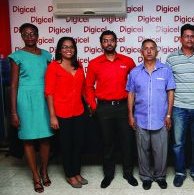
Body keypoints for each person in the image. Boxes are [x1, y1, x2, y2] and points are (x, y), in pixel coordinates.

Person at [85, 30, 138, 188]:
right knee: (107, 143)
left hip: (123, 107)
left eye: (111, 40)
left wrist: (133, 104)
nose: (109, 43)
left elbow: (136, 82)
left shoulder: (127, 61)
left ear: (116, 42)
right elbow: (88, 87)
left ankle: (128, 173)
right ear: (101, 44)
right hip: (104, 108)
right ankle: (108, 174)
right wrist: (94, 106)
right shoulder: (95, 63)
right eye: (105, 41)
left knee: (127, 142)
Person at [9, 23, 54, 193]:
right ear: (21, 36)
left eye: (33, 34)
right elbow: (13, 85)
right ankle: (35, 176)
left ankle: (44, 169)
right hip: (25, 99)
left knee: (45, 138)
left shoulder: (46, 55)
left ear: (37, 35)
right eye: (26, 34)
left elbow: (51, 80)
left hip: (43, 98)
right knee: (28, 138)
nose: (30, 37)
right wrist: (13, 111)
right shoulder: (16, 56)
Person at [166, 24, 194, 187]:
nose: (190, 39)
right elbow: (169, 86)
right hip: (178, 107)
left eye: (192, 36)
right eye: (186, 36)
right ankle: (179, 172)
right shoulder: (171, 58)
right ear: (180, 38)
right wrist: (169, 112)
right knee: (178, 143)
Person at [126, 39, 176, 190]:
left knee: (161, 151)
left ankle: (160, 176)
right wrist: (130, 115)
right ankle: (146, 177)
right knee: (143, 151)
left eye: (152, 48)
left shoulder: (165, 70)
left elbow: (171, 93)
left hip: (160, 118)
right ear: (141, 52)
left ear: (157, 51)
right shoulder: (134, 72)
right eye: (146, 48)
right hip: (141, 118)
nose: (149, 51)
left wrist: (168, 115)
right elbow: (131, 94)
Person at [45, 37, 87, 188]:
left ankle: (76, 172)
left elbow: (83, 89)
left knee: (78, 144)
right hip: (61, 113)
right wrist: (52, 116)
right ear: (59, 50)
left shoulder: (79, 65)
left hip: (79, 111)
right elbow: (49, 93)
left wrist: (90, 105)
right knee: (66, 145)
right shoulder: (53, 67)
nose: (68, 49)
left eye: (71, 47)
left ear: (74, 49)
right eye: (64, 47)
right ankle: (70, 175)